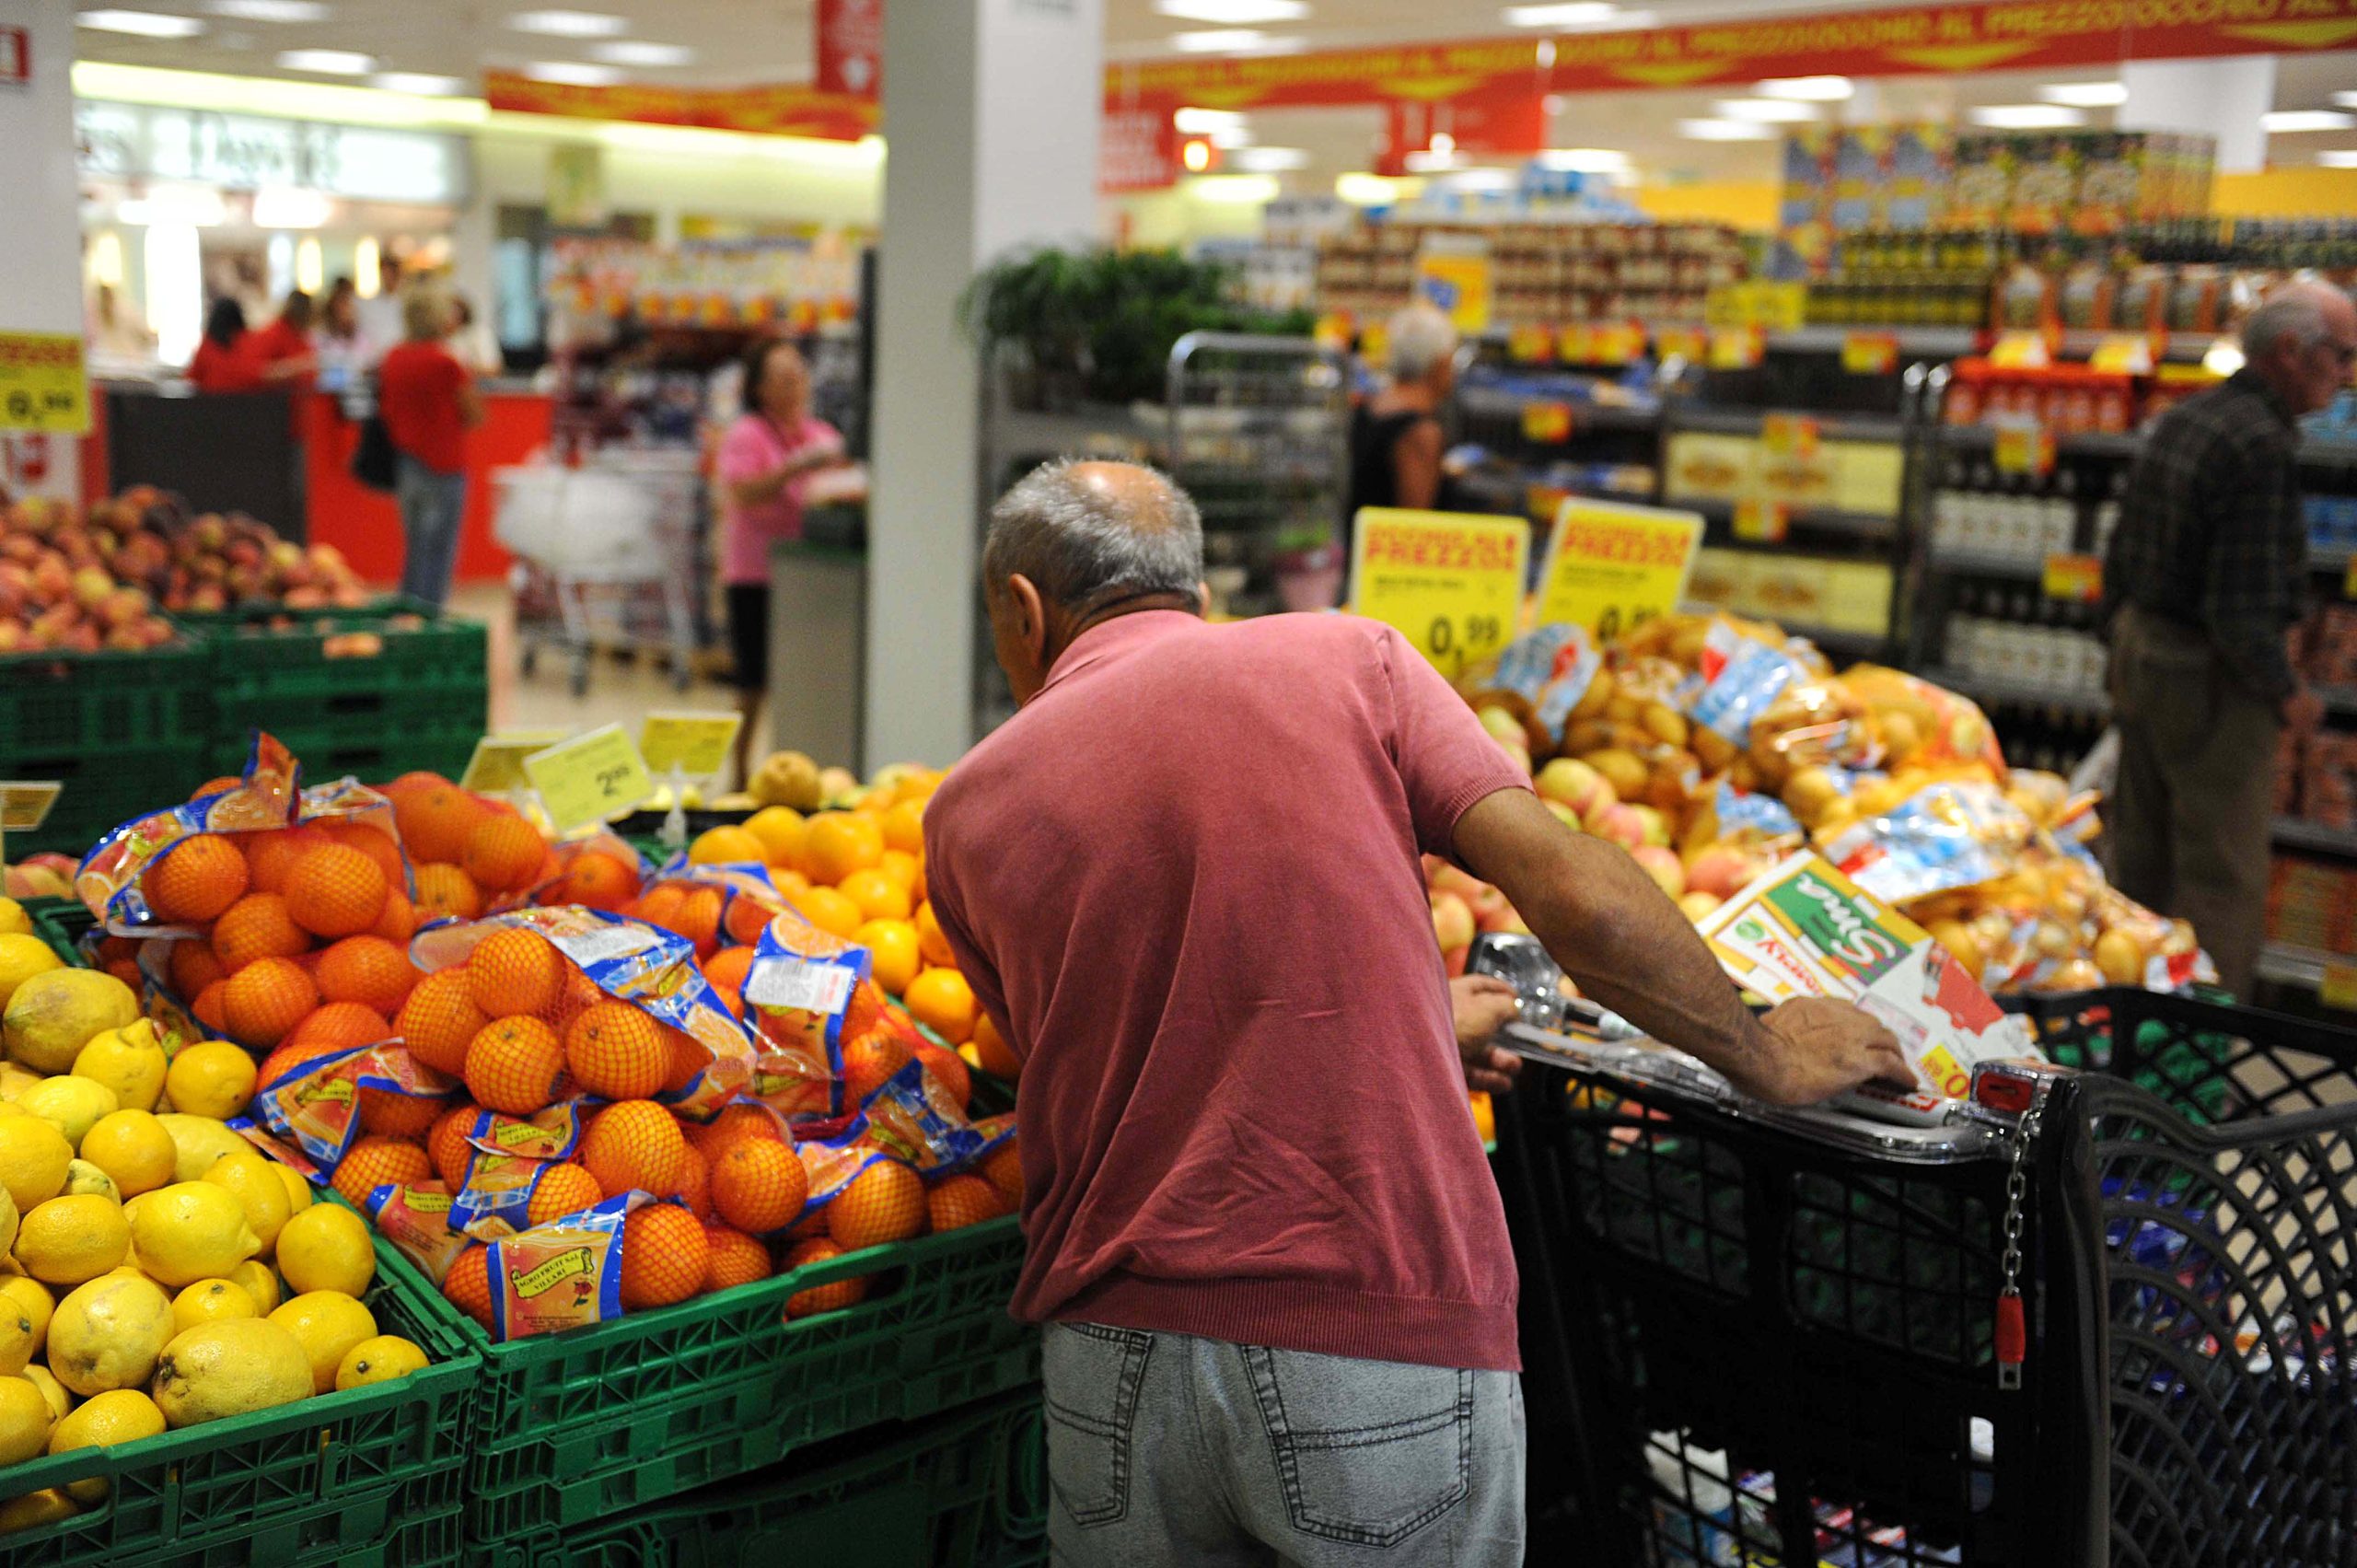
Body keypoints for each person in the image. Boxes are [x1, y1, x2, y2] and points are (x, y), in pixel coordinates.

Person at [923, 459, 1908, 1568]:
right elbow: (1576, 894)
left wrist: (1405, 1013)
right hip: (1364, 1323)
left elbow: (1120, 1032)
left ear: (1023, 609)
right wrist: (1766, 1051)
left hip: (1111, 1355)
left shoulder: (968, 809)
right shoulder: (1347, 657)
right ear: (1189, 584)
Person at [2102, 281, 2357, 997]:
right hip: (2209, 680)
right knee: (2221, 877)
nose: (2346, 376)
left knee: (2138, 865)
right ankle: (2200, 1052)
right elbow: (2239, 610)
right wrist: (2288, 690)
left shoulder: (2187, 417)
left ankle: (2122, 1019)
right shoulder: (2259, 445)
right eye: (2340, 358)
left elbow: (2119, 554)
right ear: (2290, 352)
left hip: (2143, 655)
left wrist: (2119, 646)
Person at [714, 338, 845, 787]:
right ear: (759, 389)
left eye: (798, 375)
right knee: (751, 683)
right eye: (782, 378)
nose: (794, 385)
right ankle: (739, 770)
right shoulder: (747, 435)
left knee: (802, 676)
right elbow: (743, 491)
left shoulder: (822, 435)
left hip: (811, 579)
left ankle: (798, 771)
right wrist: (794, 468)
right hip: (755, 574)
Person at [377, 287, 482, 610]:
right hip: (444, 465)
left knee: (416, 547)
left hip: (407, 463)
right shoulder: (446, 361)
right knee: (438, 551)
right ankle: (430, 618)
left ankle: (408, 612)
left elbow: (387, 410)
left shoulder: (393, 358)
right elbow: (474, 413)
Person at [1345, 302, 1459, 524]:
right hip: (1388, 557)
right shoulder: (1419, 432)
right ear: (1441, 363)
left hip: (1362, 550)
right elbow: (1413, 526)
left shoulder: (1371, 409)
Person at [185, 298, 261, 392]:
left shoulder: (207, 345)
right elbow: (256, 374)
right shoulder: (248, 341)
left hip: (211, 402)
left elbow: (193, 378)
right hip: (246, 402)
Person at [446, 293, 505, 377]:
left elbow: (493, 368)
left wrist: (459, 370)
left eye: (453, 311)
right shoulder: (435, 339)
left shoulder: (479, 334)